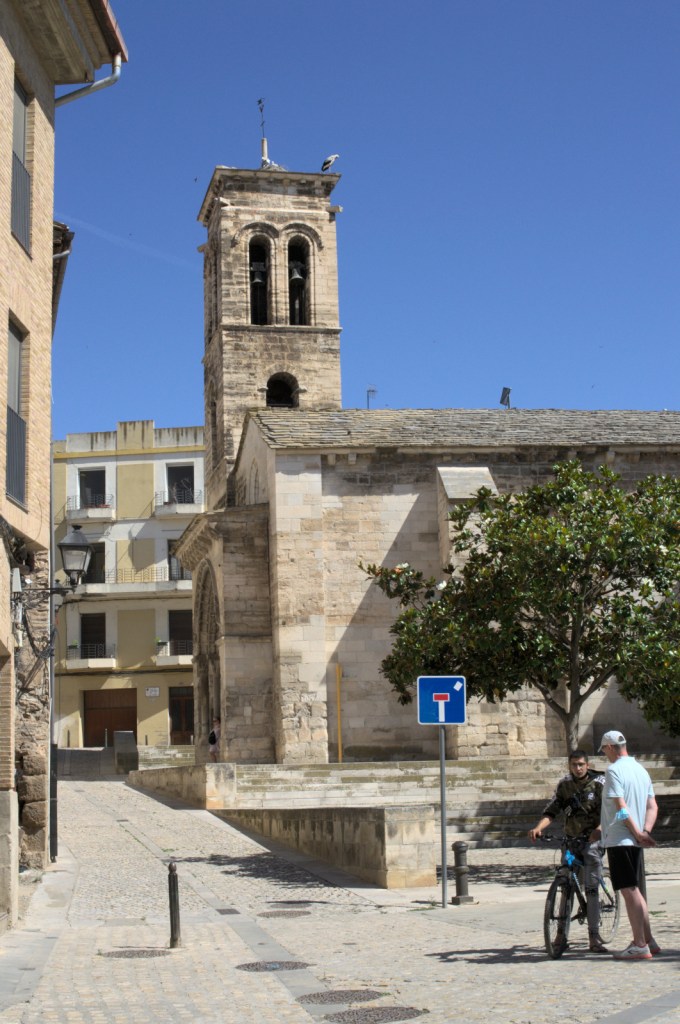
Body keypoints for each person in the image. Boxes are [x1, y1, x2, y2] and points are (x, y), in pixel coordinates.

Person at [528, 748, 608, 953]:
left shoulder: (599, 784)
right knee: (565, 887)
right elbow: (552, 810)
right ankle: (560, 936)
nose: (578, 768)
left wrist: (599, 830)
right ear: (569, 765)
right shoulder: (565, 785)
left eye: (581, 764)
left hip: (592, 841)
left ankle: (594, 936)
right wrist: (538, 828)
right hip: (571, 842)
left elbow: (610, 810)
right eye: (574, 764)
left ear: (587, 765)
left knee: (591, 889)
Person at [597, 730, 659, 960]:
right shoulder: (641, 770)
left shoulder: (614, 770)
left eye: (604, 750)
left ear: (611, 747)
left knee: (629, 891)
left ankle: (640, 943)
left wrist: (636, 833)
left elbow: (621, 808)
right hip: (634, 839)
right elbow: (652, 806)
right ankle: (649, 940)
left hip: (620, 838)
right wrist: (645, 832)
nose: (605, 754)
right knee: (636, 891)